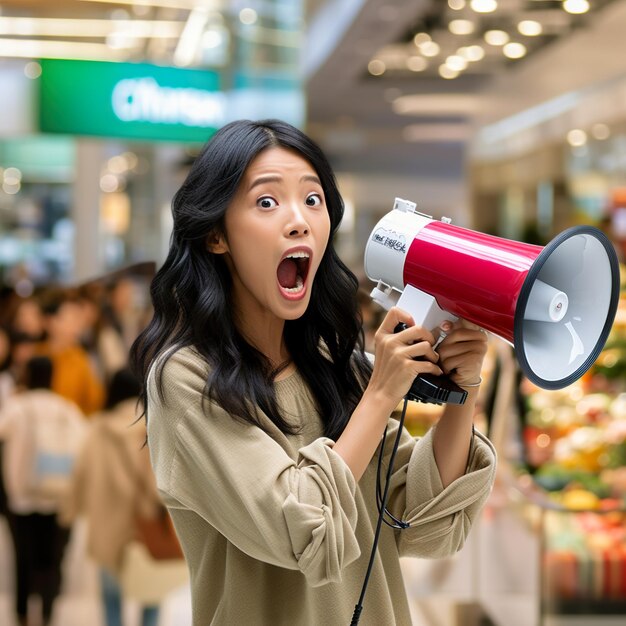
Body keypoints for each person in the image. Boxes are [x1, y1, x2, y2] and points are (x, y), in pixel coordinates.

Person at [130, 119, 497, 625]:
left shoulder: (332, 365)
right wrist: (380, 394)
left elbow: (421, 524)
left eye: (313, 200)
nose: (299, 221)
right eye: (266, 202)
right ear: (216, 234)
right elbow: (299, 530)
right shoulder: (187, 379)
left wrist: (462, 391)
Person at [60, 368, 163, 626]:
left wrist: (70, 512)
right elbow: (157, 480)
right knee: (151, 592)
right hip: (144, 523)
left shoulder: (97, 429)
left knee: (111, 596)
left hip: (106, 524)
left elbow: (80, 472)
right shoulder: (149, 427)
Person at [0, 356, 85, 626]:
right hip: (56, 494)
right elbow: (83, 443)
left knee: (21, 558)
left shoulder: (16, 407)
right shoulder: (66, 409)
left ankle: (22, 614)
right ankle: (48, 614)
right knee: (50, 558)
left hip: (21, 496)